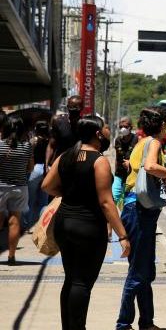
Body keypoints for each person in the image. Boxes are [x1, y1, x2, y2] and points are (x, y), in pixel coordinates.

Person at [42, 115, 130, 330]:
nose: (108, 132)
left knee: (71, 279)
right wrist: (123, 236)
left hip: (64, 223)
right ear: (98, 134)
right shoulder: (99, 161)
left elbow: (47, 186)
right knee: (82, 282)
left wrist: (70, 193)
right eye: (105, 129)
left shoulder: (65, 156)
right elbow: (106, 203)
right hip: (88, 227)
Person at [116, 107, 166, 330]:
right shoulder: (153, 143)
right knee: (138, 272)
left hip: (137, 210)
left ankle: (146, 322)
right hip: (139, 211)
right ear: (163, 125)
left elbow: (133, 167)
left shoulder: (141, 143)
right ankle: (123, 324)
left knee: (145, 271)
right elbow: (150, 167)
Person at [0, 116, 34, 265]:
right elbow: (30, 168)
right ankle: (11, 256)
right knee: (15, 221)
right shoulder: (26, 146)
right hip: (20, 187)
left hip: (0, 187)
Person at [23, 120, 50, 230]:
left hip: (34, 170)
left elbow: (29, 156)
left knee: (30, 200)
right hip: (47, 169)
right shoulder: (50, 141)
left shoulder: (33, 141)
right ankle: (41, 226)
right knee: (43, 201)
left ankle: (28, 225)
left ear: (36, 129)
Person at [47, 95, 84, 166]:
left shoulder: (85, 125)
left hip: (78, 165)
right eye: (71, 109)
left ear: (81, 108)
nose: (73, 112)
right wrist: (46, 166)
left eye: (76, 110)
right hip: (59, 164)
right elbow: (51, 145)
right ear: (67, 107)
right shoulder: (58, 121)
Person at [112, 116, 138, 207]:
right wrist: (115, 171)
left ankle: (124, 219)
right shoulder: (118, 140)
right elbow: (117, 157)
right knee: (114, 197)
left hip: (131, 175)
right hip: (119, 174)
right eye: (121, 127)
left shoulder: (137, 139)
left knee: (127, 200)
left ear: (131, 127)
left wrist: (131, 164)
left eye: (125, 126)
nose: (123, 129)